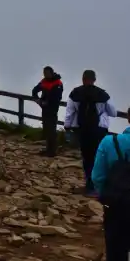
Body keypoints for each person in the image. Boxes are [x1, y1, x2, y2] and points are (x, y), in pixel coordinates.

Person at [64, 69, 118, 194]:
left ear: (83, 79)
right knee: (98, 156)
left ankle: (89, 184)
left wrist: (67, 127)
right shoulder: (103, 94)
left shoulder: (75, 93)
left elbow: (70, 112)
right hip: (99, 130)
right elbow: (113, 113)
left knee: (86, 157)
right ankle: (98, 186)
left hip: (82, 129)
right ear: (94, 80)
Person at [90, 107, 130, 261]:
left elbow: (98, 176)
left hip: (116, 203)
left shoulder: (110, 142)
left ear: (128, 118)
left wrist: (105, 196)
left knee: (116, 248)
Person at [32, 66, 64, 157]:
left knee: (51, 129)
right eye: (44, 73)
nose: (45, 75)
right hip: (45, 109)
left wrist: (46, 102)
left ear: (51, 73)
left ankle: (52, 151)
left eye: (47, 73)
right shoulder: (44, 81)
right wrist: (37, 100)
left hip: (52, 110)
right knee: (46, 128)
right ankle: (48, 149)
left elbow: (56, 98)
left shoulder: (58, 83)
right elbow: (34, 90)